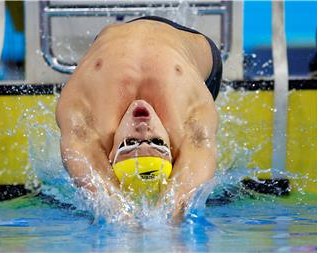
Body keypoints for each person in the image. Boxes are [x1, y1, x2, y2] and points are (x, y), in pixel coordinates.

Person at [56, 16, 222, 221]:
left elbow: (83, 158)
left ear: (110, 152)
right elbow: (197, 159)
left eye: (129, 143)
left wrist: (122, 215)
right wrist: (173, 218)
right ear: (173, 151)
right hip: (192, 47)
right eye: (157, 142)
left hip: (112, 40)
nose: (143, 129)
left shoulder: (91, 123)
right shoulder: (185, 124)